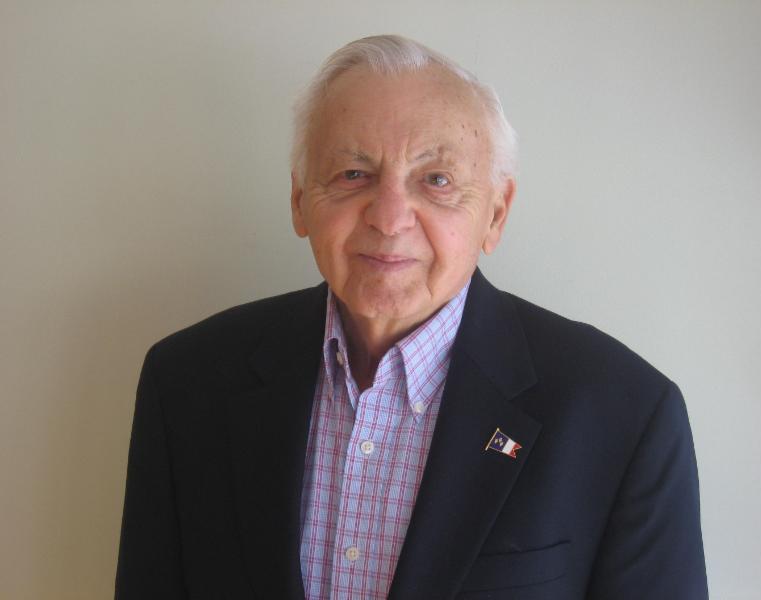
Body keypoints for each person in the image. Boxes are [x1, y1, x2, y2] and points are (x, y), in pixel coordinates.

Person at [115, 35, 707, 600]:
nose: (390, 217)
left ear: (496, 214)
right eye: (353, 174)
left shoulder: (624, 413)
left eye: (437, 180)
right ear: (299, 200)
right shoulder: (186, 383)